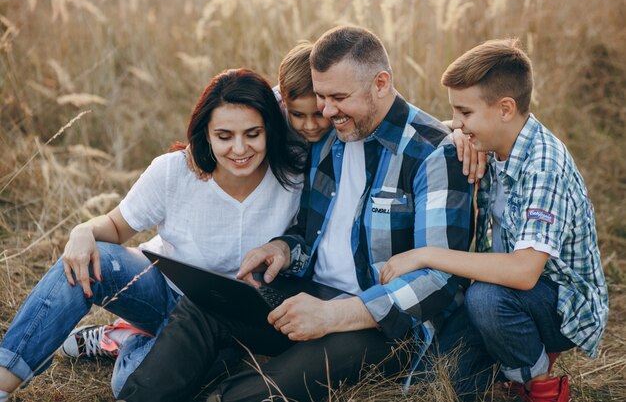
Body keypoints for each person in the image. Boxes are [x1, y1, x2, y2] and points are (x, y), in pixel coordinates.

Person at [117, 25, 473, 402]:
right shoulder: (328, 135)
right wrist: (283, 249)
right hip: (307, 296)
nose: (326, 111)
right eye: (321, 97)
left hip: (381, 327)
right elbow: (308, 229)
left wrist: (332, 316)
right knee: (206, 303)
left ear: (381, 83)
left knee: (263, 390)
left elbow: (440, 280)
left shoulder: (433, 154)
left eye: (338, 97)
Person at [0, 68, 306, 401]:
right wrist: (83, 230)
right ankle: (4, 380)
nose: (239, 148)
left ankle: (126, 338)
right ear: (206, 133)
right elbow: (117, 227)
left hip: (230, 318)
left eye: (252, 133)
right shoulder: (175, 171)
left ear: (270, 130)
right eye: (224, 136)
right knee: (83, 262)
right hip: (163, 290)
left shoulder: (293, 176)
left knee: (127, 384)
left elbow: (300, 85)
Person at [379, 38, 608, 401]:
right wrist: (456, 132)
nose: (457, 122)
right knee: (442, 381)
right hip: (502, 290)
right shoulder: (491, 140)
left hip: (559, 302)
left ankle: (536, 383)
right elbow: (432, 130)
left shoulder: (544, 166)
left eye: (464, 113)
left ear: (505, 108)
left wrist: (424, 255)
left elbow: (524, 272)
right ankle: (508, 363)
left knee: (485, 300)